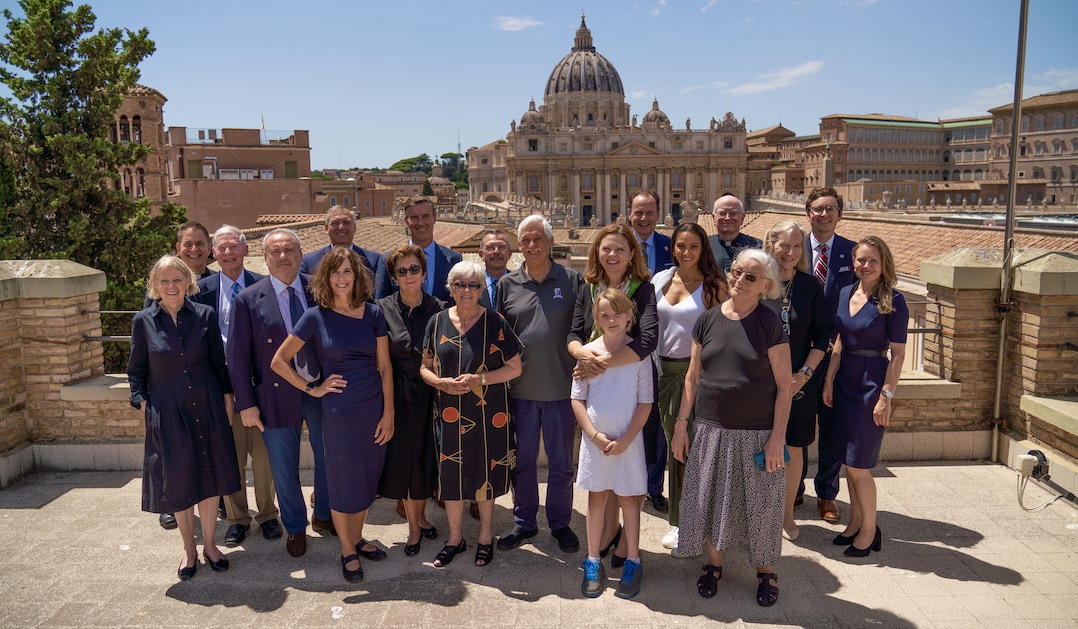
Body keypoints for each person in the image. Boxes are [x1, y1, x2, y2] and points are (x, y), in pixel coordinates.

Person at [672, 248, 791, 607]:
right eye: (736, 271)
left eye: (750, 276)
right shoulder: (707, 319)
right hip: (710, 429)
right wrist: (681, 425)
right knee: (711, 500)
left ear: (765, 285)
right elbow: (693, 377)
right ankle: (713, 565)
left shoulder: (770, 323)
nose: (739, 279)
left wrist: (777, 440)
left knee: (762, 505)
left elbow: (785, 385)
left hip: (756, 431)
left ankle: (766, 571)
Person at [270, 246, 394, 582]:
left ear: (357, 276)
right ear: (327, 277)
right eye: (336, 272)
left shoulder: (373, 313)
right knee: (343, 480)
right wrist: (312, 389)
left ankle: (357, 536)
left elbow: (384, 367)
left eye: (348, 272)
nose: (342, 278)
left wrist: (389, 413)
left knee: (368, 476)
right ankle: (346, 549)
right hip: (338, 411)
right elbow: (278, 362)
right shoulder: (315, 316)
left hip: (373, 408)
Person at [128, 255, 241, 580]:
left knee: (209, 478)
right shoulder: (143, 322)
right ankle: (188, 550)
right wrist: (143, 403)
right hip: (168, 410)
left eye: (177, 279)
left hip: (206, 406)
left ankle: (209, 544)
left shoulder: (204, 315)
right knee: (178, 480)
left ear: (188, 282)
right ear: (155, 286)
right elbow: (136, 372)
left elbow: (219, 365)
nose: (171, 286)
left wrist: (227, 396)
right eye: (164, 281)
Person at [226, 228, 333, 559]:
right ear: (265, 257)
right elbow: (238, 358)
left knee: (327, 455)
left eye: (289, 250)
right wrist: (247, 405)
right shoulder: (247, 299)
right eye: (276, 251)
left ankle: (325, 515)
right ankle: (296, 527)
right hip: (273, 395)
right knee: (283, 466)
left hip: (320, 390)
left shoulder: (322, 292)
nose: (283, 256)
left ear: (301, 255)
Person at [567, 223, 657, 588]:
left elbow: (648, 338)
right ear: (597, 254)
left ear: (632, 253)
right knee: (600, 493)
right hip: (593, 389)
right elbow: (574, 333)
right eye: (606, 249)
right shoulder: (586, 288)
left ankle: (626, 550)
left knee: (628, 491)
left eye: (620, 248)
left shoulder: (644, 290)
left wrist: (599, 362)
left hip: (620, 387)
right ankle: (600, 549)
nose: (613, 255)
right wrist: (583, 354)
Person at [420, 261, 522, 568]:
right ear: (450, 288)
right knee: (450, 477)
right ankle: (454, 539)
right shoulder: (436, 322)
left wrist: (480, 379)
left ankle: (485, 536)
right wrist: (438, 382)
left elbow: (515, 367)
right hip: (449, 415)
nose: (467, 291)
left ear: (481, 290)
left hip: (489, 415)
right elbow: (424, 367)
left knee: (485, 475)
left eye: (474, 285)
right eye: (460, 284)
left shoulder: (496, 322)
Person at [495, 215, 584, 555]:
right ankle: (525, 521)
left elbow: (584, 331)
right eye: (526, 240)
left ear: (550, 242)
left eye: (538, 239)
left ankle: (560, 523)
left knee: (562, 463)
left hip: (563, 390)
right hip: (519, 392)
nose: (532, 245)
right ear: (519, 245)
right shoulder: (507, 285)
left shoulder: (572, 280)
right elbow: (498, 337)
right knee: (523, 463)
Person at [191, 225, 280, 547]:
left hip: (258, 385)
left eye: (233, 247)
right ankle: (237, 518)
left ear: (245, 250)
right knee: (229, 456)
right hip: (217, 386)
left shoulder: (263, 286)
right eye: (221, 248)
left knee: (263, 456)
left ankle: (269, 515)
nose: (227, 253)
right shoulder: (199, 289)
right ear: (214, 254)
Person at [822, 236, 907, 558]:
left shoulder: (893, 300)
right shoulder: (846, 292)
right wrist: (829, 379)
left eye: (872, 260)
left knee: (859, 465)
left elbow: (898, 355)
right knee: (848, 460)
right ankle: (857, 522)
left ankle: (870, 531)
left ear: (884, 263)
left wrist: (886, 396)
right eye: (860, 260)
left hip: (872, 382)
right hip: (844, 380)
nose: (866, 266)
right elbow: (839, 341)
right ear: (853, 262)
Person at [649, 222, 727, 552]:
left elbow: (724, 333)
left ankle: (702, 521)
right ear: (673, 248)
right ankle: (683, 523)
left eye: (693, 246)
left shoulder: (714, 287)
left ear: (702, 249)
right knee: (676, 448)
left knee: (699, 450)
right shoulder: (660, 280)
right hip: (665, 374)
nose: (686, 252)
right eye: (680, 245)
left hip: (701, 377)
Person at [761, 220, 829, 542]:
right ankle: (759, 513)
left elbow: (822, 339)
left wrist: (802, 376)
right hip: (760, 383)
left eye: (796, 246)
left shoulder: (811, 287)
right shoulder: (758, 283)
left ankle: (786, 516)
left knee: (793, 449)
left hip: (799, 385)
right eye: (783, 245)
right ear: (771, 244)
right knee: (758, 448)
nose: (789, 252)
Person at [377, 244, 444, 556]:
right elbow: (381, 363)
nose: (408, 276)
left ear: (424, 272)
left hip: (432, 397)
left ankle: (421, 519)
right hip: (397, 397)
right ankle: (414, 528)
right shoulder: (381, 310)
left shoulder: (440, 309)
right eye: (401, 271)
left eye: (413, 269)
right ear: (393, 276)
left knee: (425, 461)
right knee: (405, 462)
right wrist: (387, 410)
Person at [154, 220, 215, 531]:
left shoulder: (218, 285)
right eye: (187, 244)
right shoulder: (161, 290)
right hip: (171, 388)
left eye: (200, 243)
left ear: (209, 248)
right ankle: (173, 504)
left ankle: (210, 501)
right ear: (177, 249)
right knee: (173, 453)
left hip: (207, 383)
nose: (194, 249)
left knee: (206, 449)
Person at [804, 187, 857, 524]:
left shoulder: (853, 254)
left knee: (831, 426)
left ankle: (826, 494)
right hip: (798, 355)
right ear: (807, 212)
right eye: (818, 209)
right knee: (796, 426)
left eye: (831, 209)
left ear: (840, 214)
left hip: (837, 356)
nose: (824, 215)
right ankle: (793, 489)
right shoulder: (792, 249)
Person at [627, 190, 672, 515]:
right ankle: (630, 482)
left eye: (649, 212)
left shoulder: (673, 248)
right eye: (638, 212)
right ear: (629, 213)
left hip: (661, 349)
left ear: (658, 213)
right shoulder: (618, 248)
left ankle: (654, 486)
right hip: (624, 347)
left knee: (656, 424)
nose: (643, 218)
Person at [375, 196, 462, 301]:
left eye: (425, 216)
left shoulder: (453, 260)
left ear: (434, 218)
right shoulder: (387, 260)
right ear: (406, 221)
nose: (420, 223)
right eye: (414, 217)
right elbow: (380, 304)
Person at [300, 205, 384, 279]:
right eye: (335, 223)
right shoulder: (310, 262)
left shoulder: (374, 260)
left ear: (354, 227)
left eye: (346, 222)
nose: (341, 227)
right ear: (326, 228)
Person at [708, 194, 761, 273]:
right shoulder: (704, 246)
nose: (727, 218)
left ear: (742, 218)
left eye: (733, 214)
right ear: (713, 218)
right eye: (722, 213)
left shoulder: (758, 247)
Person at [477, 228, 511, 309]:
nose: (496, 251)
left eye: (501, 247)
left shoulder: (521, 285)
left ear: (509, 253)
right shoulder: (473, 285)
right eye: (490, 247)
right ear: (481, 254)